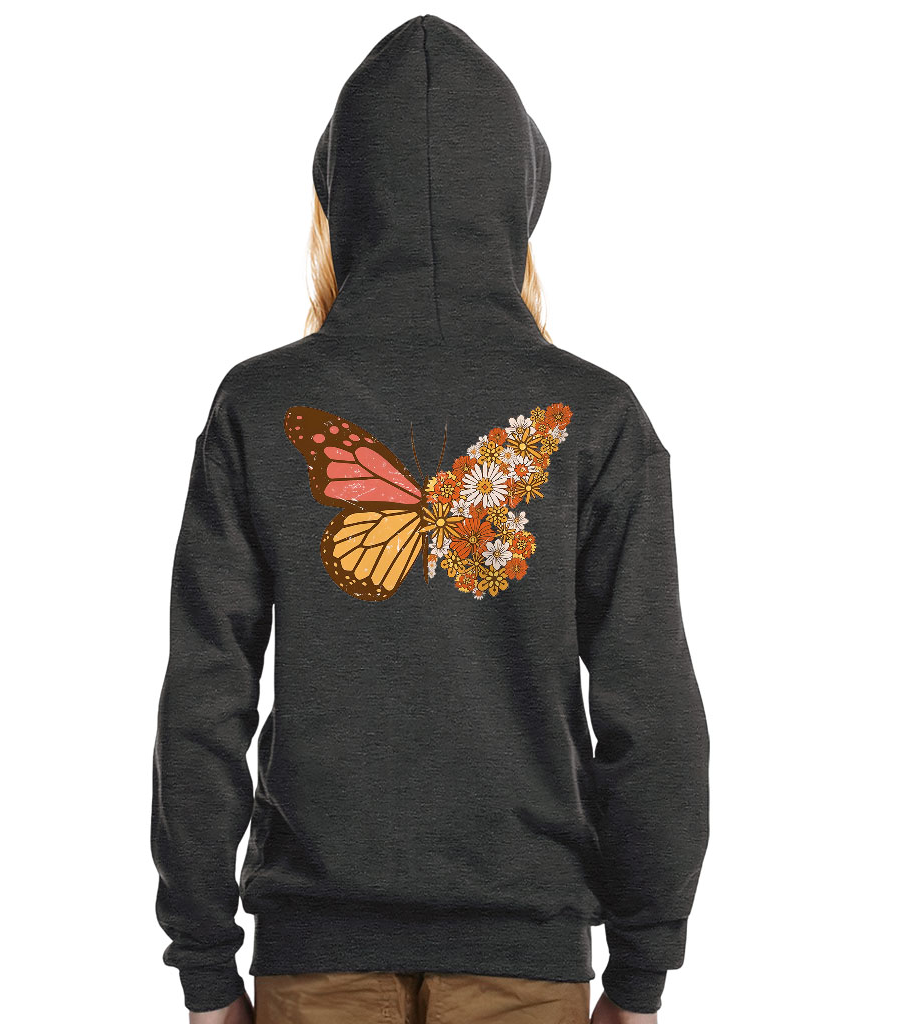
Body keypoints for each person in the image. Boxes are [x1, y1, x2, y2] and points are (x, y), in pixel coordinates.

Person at [151, 13, 710, 1024]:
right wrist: (641, 969)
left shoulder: (261, 405)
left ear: (341, 204)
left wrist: (203, 961)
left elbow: (204, 699)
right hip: (527, 955)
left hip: (315, 954)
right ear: (516, 204)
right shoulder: (595, 415)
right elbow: (654, 708)